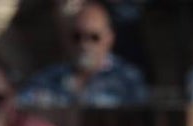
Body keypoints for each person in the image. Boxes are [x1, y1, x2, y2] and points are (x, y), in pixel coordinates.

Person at [16, 0, 148, 107]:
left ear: (109, 38)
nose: (85, 44)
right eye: (77, 37)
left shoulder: (128, 81)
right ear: (66, 39)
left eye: (94, 37)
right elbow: (22, 109)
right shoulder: (46, 79)